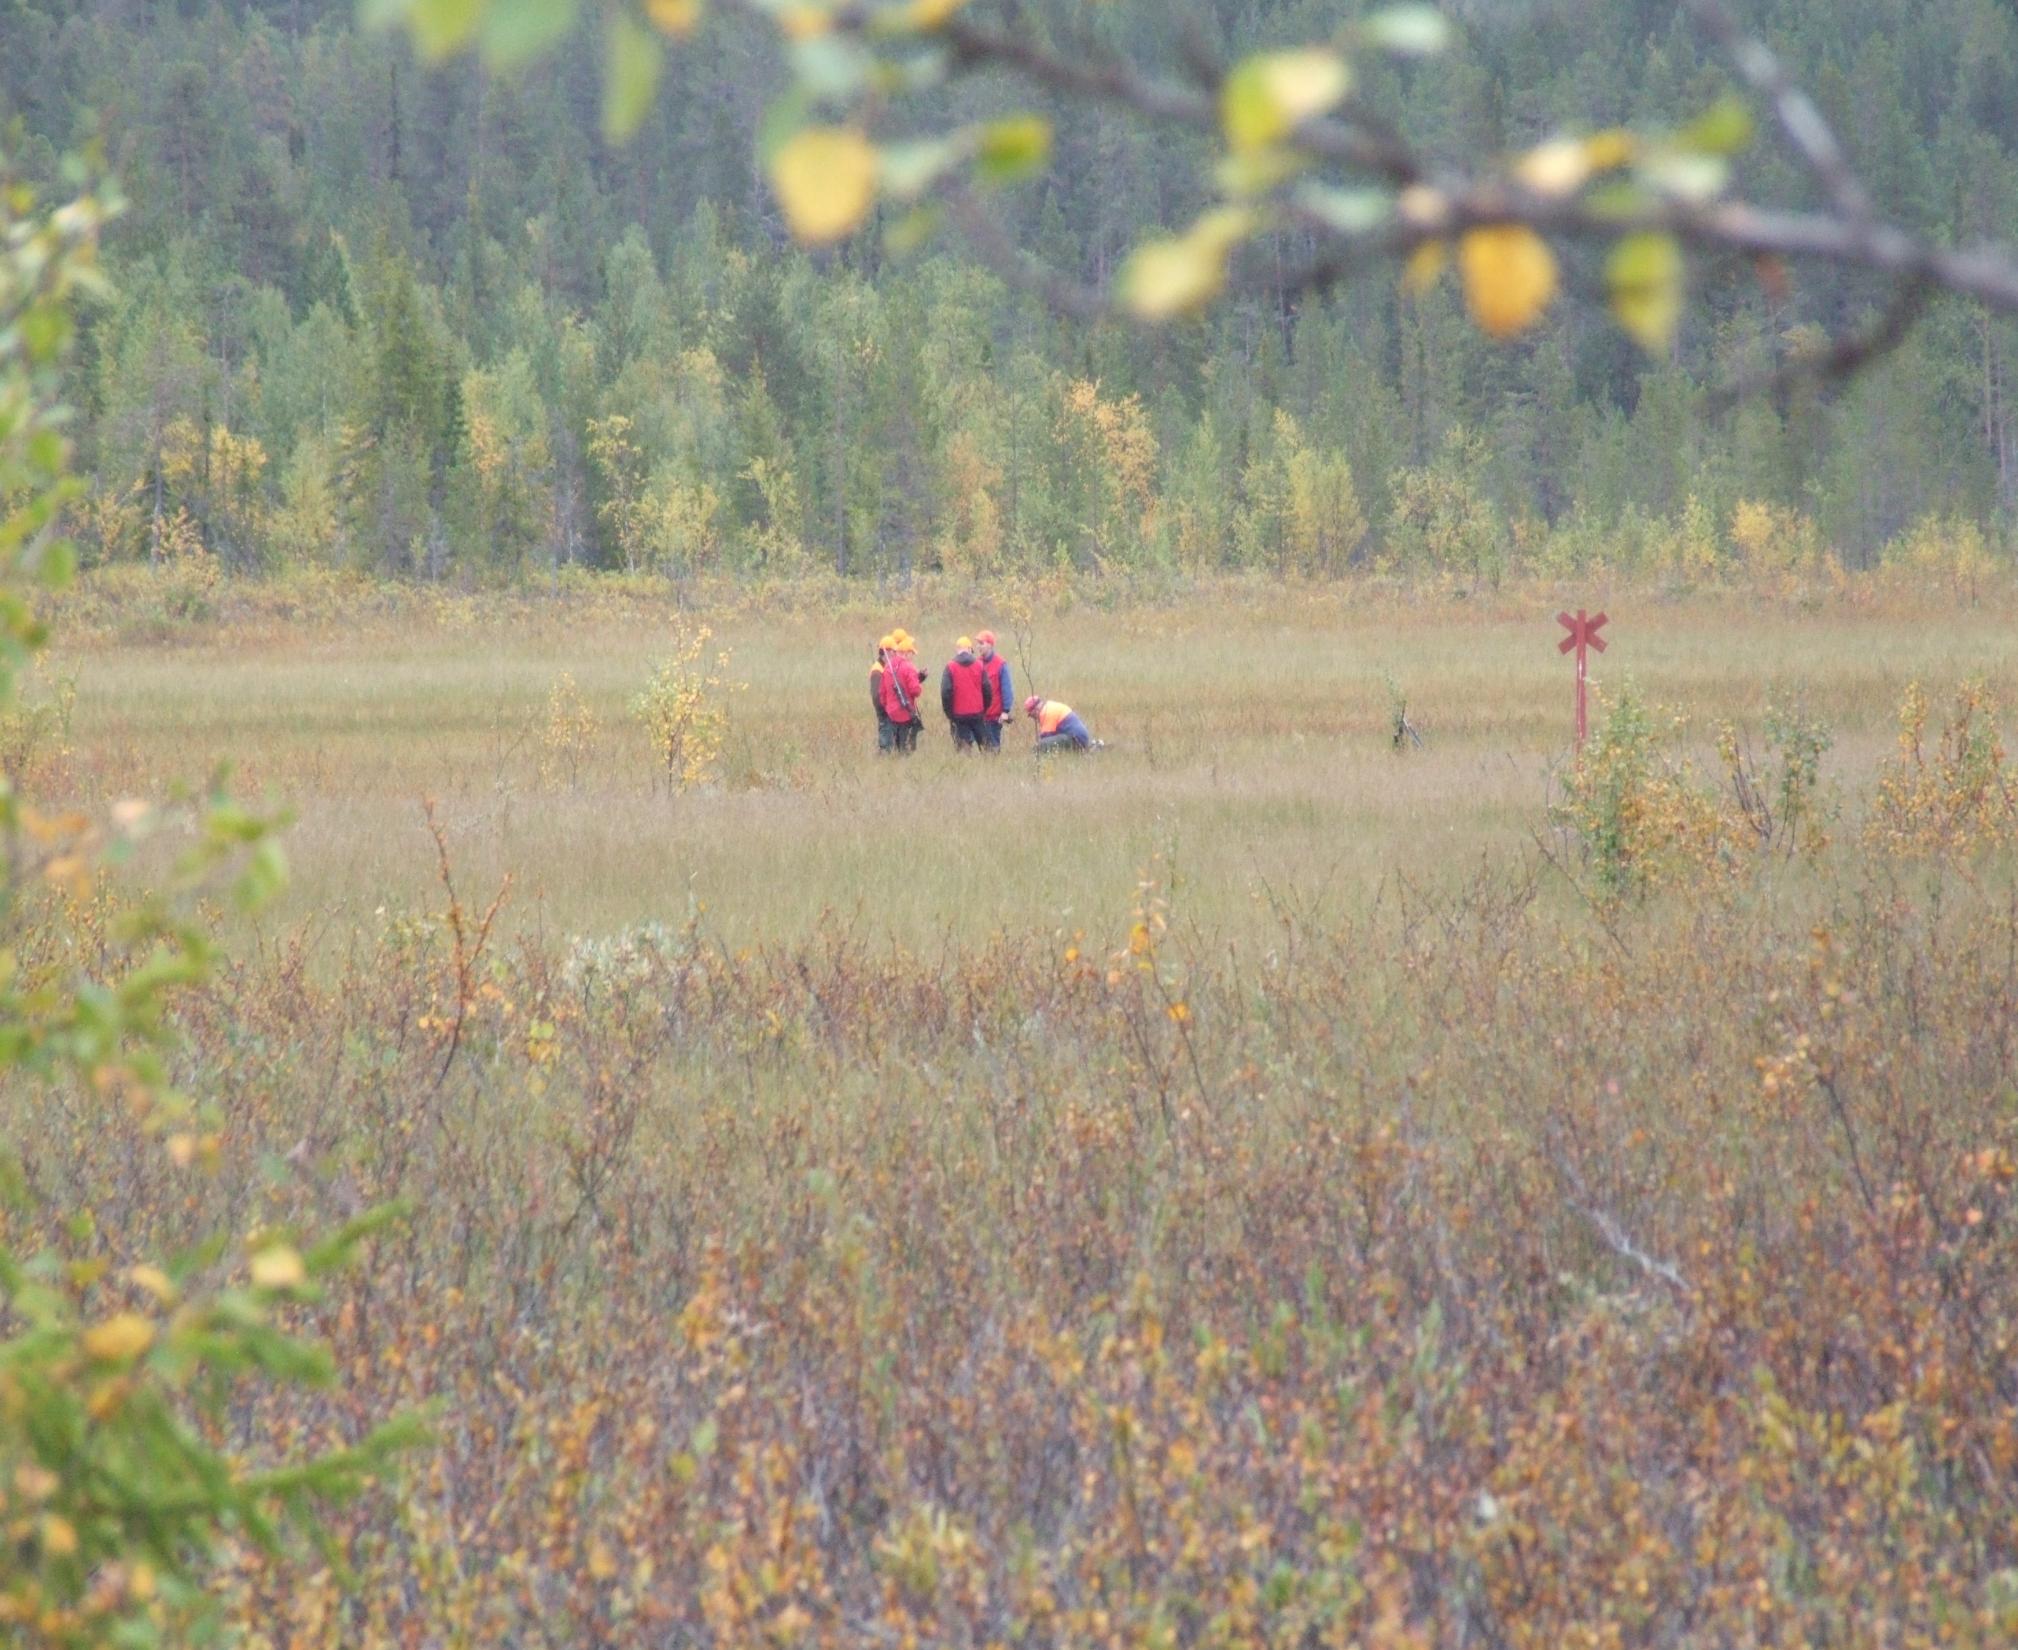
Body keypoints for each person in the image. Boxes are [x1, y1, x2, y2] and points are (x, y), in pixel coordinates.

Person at [940, 635, 994, 749]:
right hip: (977, 713)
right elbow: (987, 689)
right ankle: (991, 766)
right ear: (970, 649)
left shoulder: (950, 667)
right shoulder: (979, 665)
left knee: (963, 751)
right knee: (987, 749)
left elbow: (945, 693)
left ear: (957, 649)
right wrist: (984, 708)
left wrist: (949, 713)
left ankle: (966, 766)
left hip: (958, 716)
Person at [881, 628, 925, 753]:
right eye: (912, 653)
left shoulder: (887, 667)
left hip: (891, 714)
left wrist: (888, 706)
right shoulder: (908, 667)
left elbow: (882, 693)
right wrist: (919, 683)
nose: (912, 657)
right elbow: (915, 690)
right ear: (906, 653)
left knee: (895, 746)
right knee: (907, 747)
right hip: (906, 713)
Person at [975, 631, 1012, 750]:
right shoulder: (976, 663)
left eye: (982, 643)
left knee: (993, 749)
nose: (978, 646)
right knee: (982, 749)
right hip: (979, 716)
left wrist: (1005, 711)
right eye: (978, 643)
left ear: (990, 644)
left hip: (994, 717)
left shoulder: (1001, 664)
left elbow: (1007, 689)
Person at [1025, 695, 1100, 753]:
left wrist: (1034, 750)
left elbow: (1046, 737)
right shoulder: (1050, 706)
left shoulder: (1045, 713)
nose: (1034, 718)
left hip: (1075, 739)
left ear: (1035, 710)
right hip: (1080, 737)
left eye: (1032, 715)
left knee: (1040, 746)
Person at [870, 635, 895, 754]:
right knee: (885, 746)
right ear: (888, 652)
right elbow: (876, 696)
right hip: (884, 713)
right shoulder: (877, 670)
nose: (895, 654)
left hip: (889, 711)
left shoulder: (885, 667)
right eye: (893, 651)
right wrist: (885, 709)